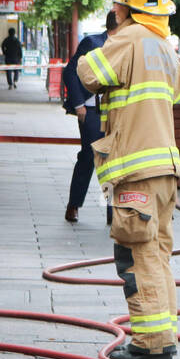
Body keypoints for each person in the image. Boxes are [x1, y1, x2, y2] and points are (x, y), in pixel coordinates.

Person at [78, 0, 180, 359]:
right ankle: (163, 334)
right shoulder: (163, 45)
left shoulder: (129, 39)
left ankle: (151, 343)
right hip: (164, 168)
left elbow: (89, 74)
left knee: (135, 256)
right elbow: (178, 91)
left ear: (127, 6)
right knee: (157, 253)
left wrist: (103, 42)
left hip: (136, 168)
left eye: (115, 0)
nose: (111, 5)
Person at [62, 11, 118, 223]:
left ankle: (112, 212)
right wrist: (79, 106)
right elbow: (70, 72)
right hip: (91, 110)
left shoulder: (126, 46)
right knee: (89, 157)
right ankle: (74, 204)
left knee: (111, 160)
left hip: (115, 111)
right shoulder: (93, 42)